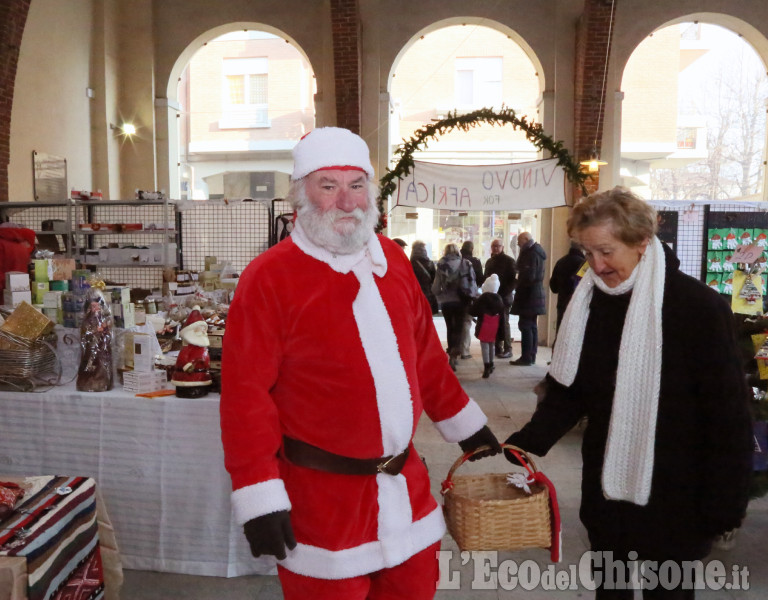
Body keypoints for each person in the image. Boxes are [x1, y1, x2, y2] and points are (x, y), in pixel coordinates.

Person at [220, 127, 501, 600]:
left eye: (356, 186)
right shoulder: (269, 278)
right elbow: (247, 399)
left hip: (405, 494)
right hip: (322, 507)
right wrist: (259, 495)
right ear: (300, 196)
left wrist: (463, 422)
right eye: (328, 186)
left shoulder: (390, 258)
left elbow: (426, 356)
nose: (346, 202)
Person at [504, 188, 752, 599]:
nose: (596, 267)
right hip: (608, 489)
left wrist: (726, 504)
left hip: (677, 493)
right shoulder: (591, 304)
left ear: (641, 243)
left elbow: (727, 414)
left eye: (606, 251)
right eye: (587, 253)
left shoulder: (697, 307)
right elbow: (573, 388)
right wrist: (528, 441)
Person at [432, 243, 476, 371]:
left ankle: (451, 351)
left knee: (449, 327)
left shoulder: (441, 264)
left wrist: (439, 294)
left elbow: (436, 287)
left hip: (447, 302)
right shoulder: (466, 263)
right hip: (462, 301)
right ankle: (454, 355)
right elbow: (472, 282)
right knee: (459, 328)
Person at [510, 232, 546, 366]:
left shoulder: (531, 253)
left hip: (529, 294)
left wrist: (519, 277)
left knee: (525, 325)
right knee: (531, 325)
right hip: (534, 294)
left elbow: (530, 275)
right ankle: (531, 356)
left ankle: (526, 357)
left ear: (526, 239)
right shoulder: (536, 252)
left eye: (519, 241)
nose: (518, 244)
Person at [483, 238, 517, 359]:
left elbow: (514, 280)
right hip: (492, 298)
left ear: (503, 247)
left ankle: (508, 348)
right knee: (493, 322)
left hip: (504, 297)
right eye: (493, 246)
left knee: (504, 322)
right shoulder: (489, 261)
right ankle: (497, 347)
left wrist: (503, 293)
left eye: (498, 246)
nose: (495, 248)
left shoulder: (509, 261)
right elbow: (485, 278)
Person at [468, 273, 505, 379]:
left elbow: (473, 311)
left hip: (484, 325)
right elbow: (503, 317)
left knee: (484, 346)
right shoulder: (499, 299)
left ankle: (486, 366)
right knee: (492, 345)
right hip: (495, 326)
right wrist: (502, 332)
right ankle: (492, 363)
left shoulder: (483, 298)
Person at [171, 306, 213, 398]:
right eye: (200, 328)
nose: (203, 332)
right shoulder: (187, 348)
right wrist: (189, 363)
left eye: (204, 329)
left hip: (201, 376)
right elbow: (182, 359)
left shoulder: (203, 348)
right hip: (188, 376)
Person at [549, 240, 586, 332]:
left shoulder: (561, 262)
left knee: (561, 333)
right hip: (579, 305)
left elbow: (554, 287)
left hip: (562, 302)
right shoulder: (584, 264)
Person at [459, 241, 485, 359]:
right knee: (466, 322)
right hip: (468, 296)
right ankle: (464, 350)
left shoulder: (456, 261)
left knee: (454, 323)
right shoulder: (475, 262)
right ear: (472, 249)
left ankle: (453, 348)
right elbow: (480, 279)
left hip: (453, 297)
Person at [410, 240, 438, 314]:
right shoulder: (430, 263)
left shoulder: (409, 264)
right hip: (428, 294)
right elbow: (434, 279)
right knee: (427, 317)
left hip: (414, 295)